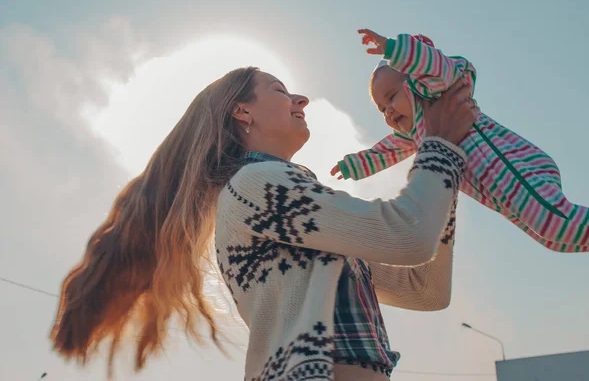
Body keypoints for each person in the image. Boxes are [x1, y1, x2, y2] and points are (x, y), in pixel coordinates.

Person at [50, 66, 478, 381]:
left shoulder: (293, 207)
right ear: (242, 111)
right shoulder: (256, 185)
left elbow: (425, 289)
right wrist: (440, 148)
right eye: (279, 90)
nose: (301, 100)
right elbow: (407, 234)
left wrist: (442, 166)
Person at [332, 29, 589, 253]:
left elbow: (438, 68)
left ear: (415, 78)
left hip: (514, 164)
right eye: (382, 109)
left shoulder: (439, 90)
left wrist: (394, 49)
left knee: (553, 222)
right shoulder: (416, 136)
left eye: (391, 97)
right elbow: (384, 152)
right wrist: (352, 166)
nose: (388, 111)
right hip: (497, 191)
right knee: (552, 239)